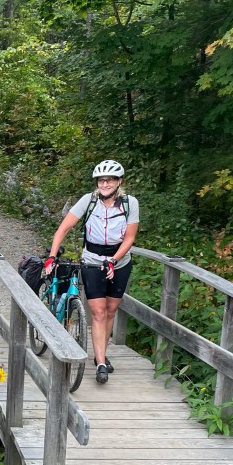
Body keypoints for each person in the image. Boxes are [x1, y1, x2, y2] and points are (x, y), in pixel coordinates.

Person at [43, 159, 139, 384]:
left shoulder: (129, 203)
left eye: (110, 180)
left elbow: (130, 238)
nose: (105, 184)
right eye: (101, 180)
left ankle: (100, 353)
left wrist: (114, 260)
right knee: (98, 312)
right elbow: (63, 228)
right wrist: (52, 256)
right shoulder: (89, 201)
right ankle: (101, 363)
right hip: (92, 261)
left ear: (119, 181)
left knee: (111, 310)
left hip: (119, 262)